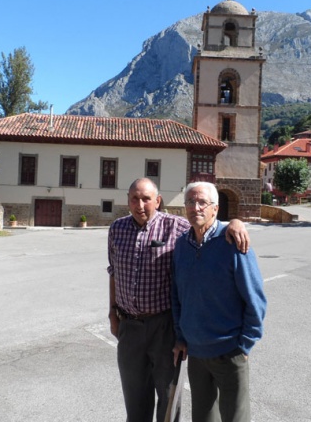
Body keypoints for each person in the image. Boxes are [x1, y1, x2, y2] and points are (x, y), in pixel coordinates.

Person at [107, 177, 250, 422]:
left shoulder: (176, 227)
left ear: (158, 201)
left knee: (169, 399)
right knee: (135, 400)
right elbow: (113, 272)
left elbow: (205, 223)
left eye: (146, 199)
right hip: (128, 327)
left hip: (164, 327)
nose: (140, 205)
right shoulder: (117, 229)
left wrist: (234, 223)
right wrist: (112, 312)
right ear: (128, 201)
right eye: (134, 199)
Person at [171, 181, 266, 422]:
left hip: (230, 351)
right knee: (202, 418)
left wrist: (245, 344)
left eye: (202, 202)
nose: (196, 207)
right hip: (196, 352)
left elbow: (255, 298)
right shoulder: (181, 245)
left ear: (215, 208)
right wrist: (181, 336)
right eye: (190, 202)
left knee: (235, 418)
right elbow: (177, 295)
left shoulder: (233, 242)